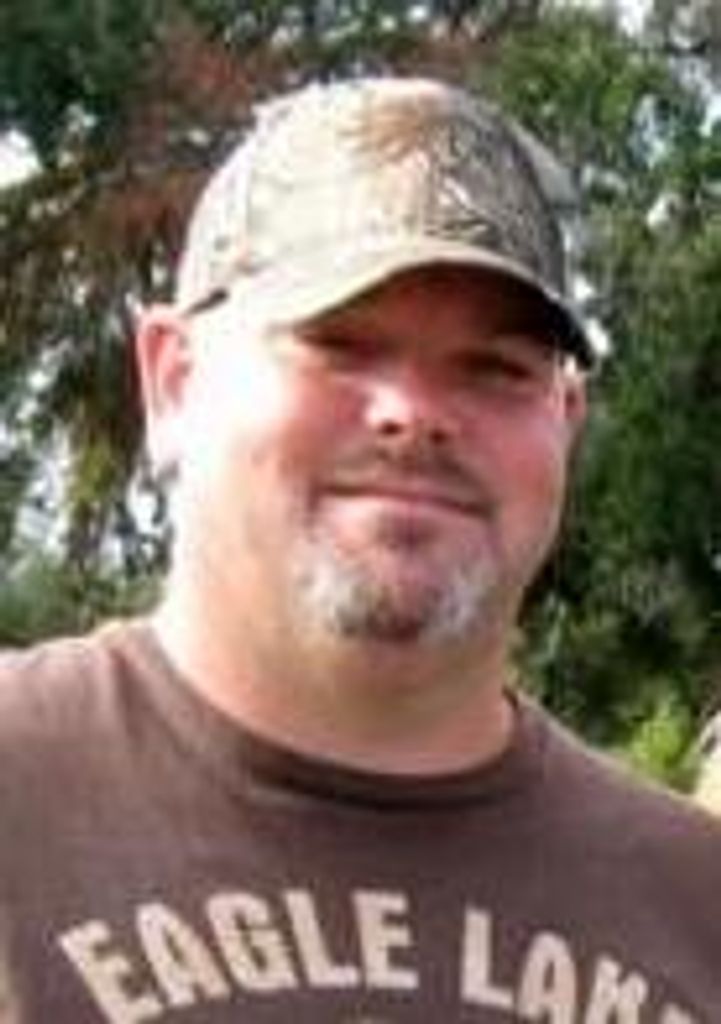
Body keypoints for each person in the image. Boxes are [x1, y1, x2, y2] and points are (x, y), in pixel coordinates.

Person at [0, 77, 719, 1024]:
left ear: (566, 419)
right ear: (173, 379)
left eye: (494, 368)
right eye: (338, 344)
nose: (413, 414)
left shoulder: (695, 904)